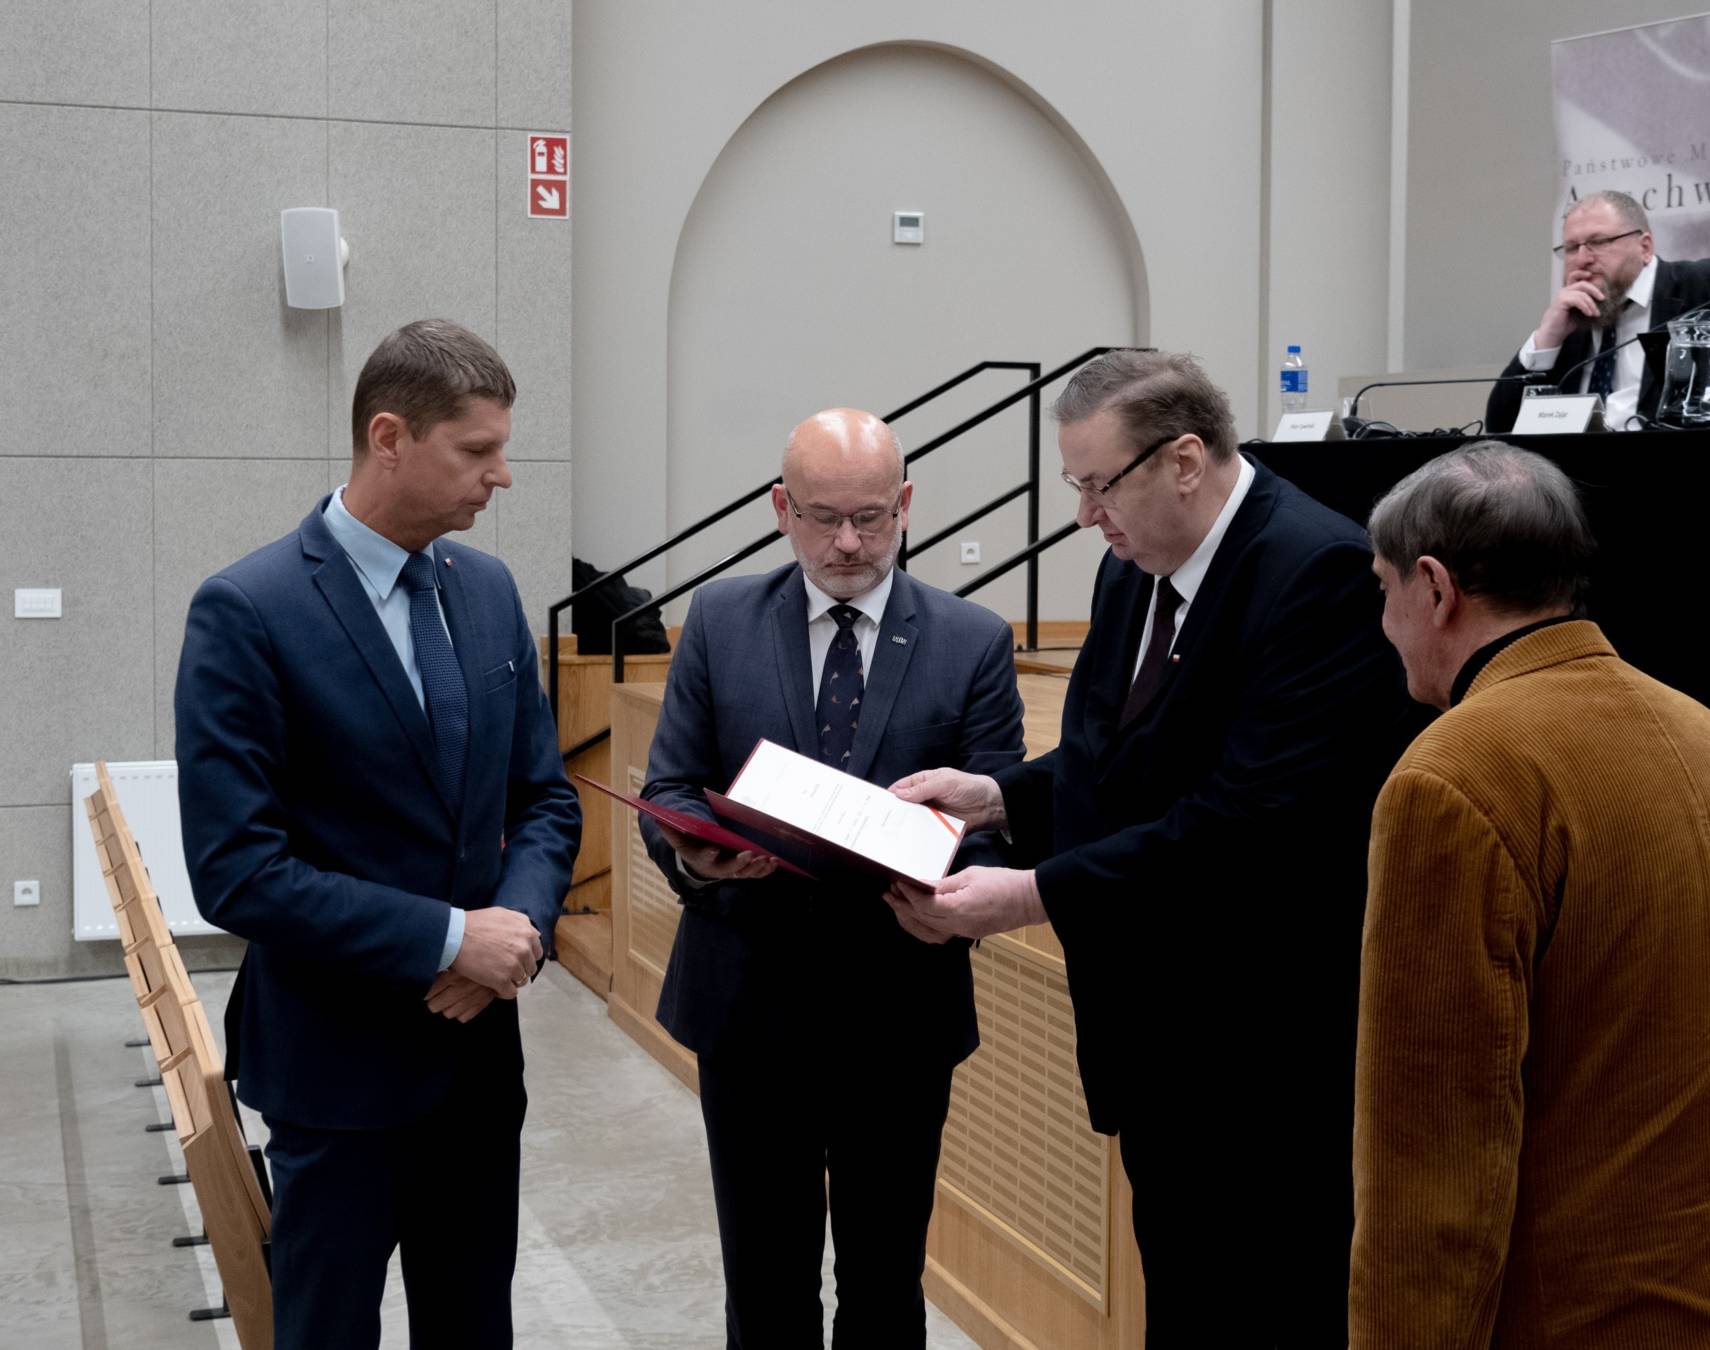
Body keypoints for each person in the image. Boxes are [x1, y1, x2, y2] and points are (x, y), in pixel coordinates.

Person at [886, 351, 1412, 1346]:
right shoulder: (1134, 566)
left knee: (1268, 1302)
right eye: (1074, 487)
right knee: (1184, 1295)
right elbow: (1101, 756)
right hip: (1156, 1037)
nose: (1085, 514)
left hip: (1264, 1050)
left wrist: (1031, 893)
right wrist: (996, 795)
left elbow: (1249, 822)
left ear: (1180, 461)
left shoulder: (1317, 572)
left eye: (1096, 484)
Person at [175, 319, 581, 1348]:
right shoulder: (249, 610)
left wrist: (513, 937)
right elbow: (239, 872)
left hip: (478, 1067)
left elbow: (543, 800)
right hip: (336, 1072)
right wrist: (451, 940)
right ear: (389, 436)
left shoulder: (485, 592)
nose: (502, 477)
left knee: (471, 1326)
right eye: (477, 452)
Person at [1353, 440, 1710, 1347]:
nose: (1383, 621)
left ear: (1435, 588)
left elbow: (1433, 1156)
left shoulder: (1453, 775)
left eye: (1383, 588)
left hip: (1563, 1317)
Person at [636, 408, 1025, 1347]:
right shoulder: (723, 621)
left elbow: (998, 821)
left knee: (886, 1286)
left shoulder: (970, 638)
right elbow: (667, 789)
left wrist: (946, 882)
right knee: (765, 1285)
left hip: (898, 1004)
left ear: (904, 505)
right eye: (820, 517)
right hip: (748, 997)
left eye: (870, 517)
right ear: (780, 508)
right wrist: (697, 854)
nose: (848, 542)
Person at [1485, 189, 1710, 431]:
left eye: (1599, 242)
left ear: (1645, 247)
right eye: (1571, 248)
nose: (1582, 258)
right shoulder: (1571, 321)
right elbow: (1500, 425)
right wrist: (1546, 340)